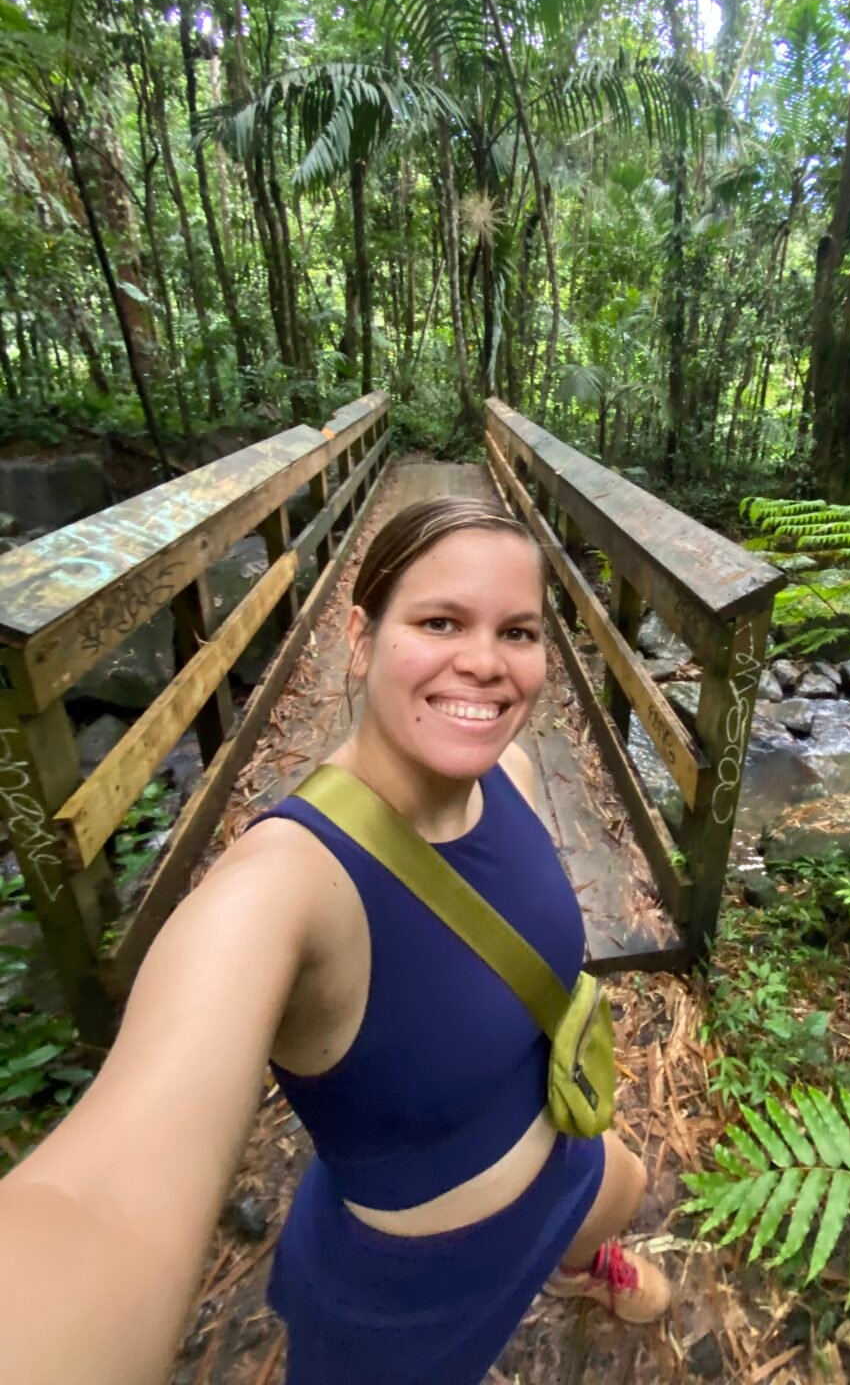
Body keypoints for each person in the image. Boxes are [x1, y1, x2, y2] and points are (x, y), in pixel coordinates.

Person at [0, 496, 670, 1385]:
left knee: (619, 1184)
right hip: (415, 1306)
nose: (485, 662)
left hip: (567, 1159)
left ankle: (583, 1263)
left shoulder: (507, 772)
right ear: (359, 637)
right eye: (440, 621)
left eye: (518, 631)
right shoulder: (280, 886)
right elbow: (97, 1205)